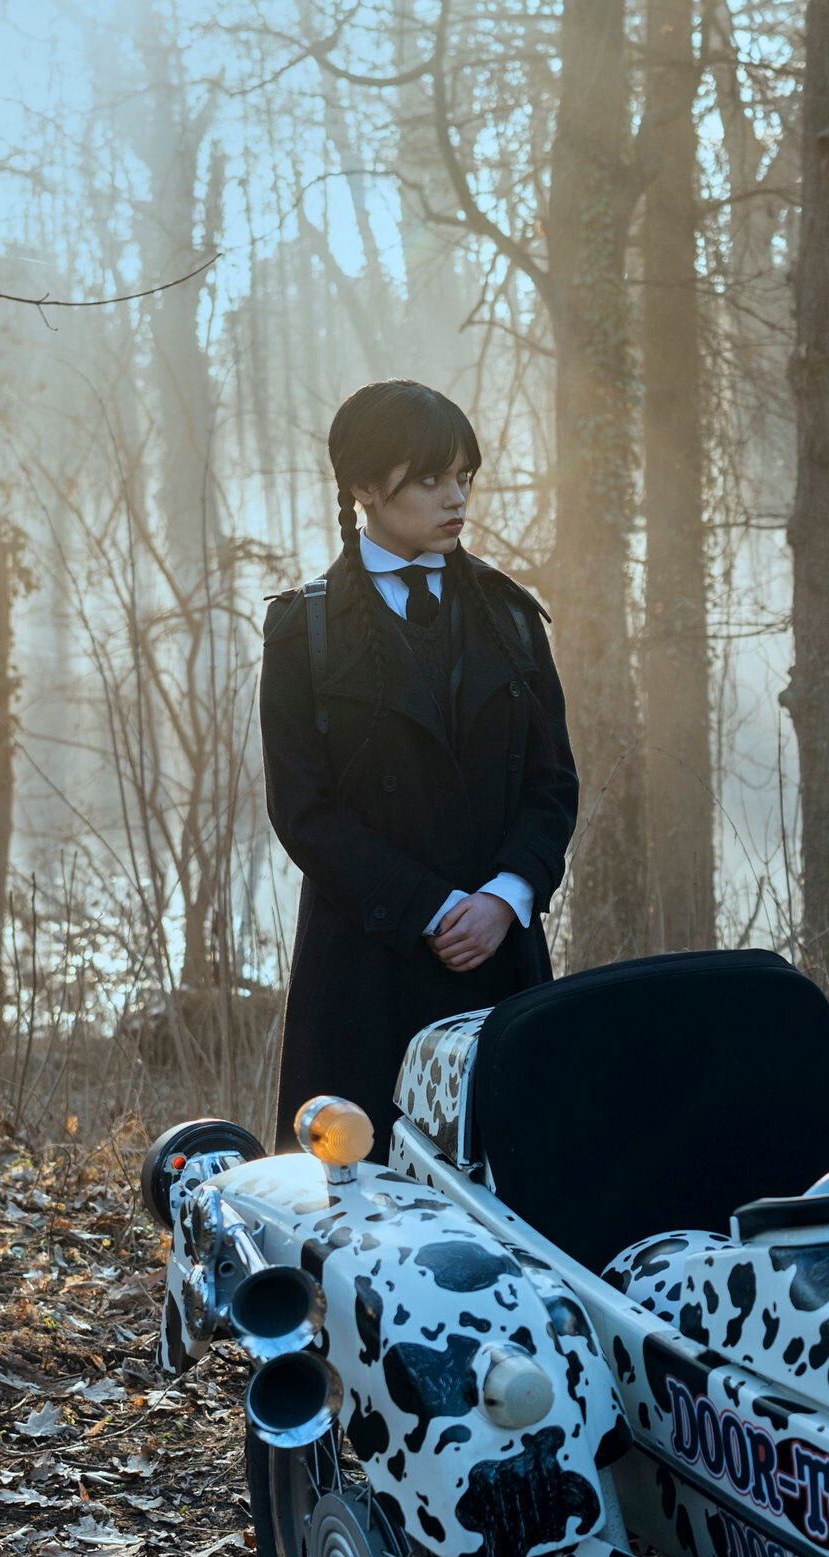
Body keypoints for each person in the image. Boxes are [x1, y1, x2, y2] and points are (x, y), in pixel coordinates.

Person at [262, 380, 578, 1156]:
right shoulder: (303, 630)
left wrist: (504, 897)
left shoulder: (511, 616)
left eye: (464, 476)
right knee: (356, 1200)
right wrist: (430, 908)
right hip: (364, 976)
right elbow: (303, 810)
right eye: (431, 478)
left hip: (500, 967)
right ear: (366, 487)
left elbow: (552, 784)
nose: (456, 497)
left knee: (513, 1190)